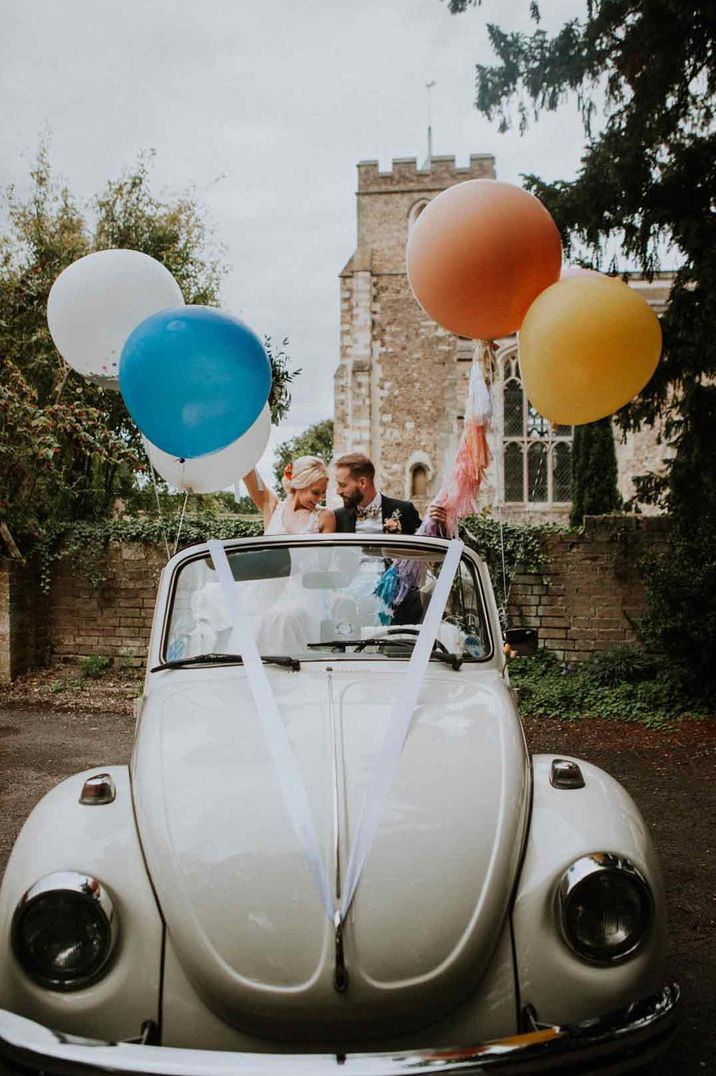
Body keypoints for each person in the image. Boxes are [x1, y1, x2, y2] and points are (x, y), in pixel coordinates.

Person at [333, 452, 445, 534]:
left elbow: (427, 548)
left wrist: (441, 524)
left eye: (343, 485)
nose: (338, 491)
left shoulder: (404, 510)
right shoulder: (337, 517)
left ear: (362, 482)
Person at [243, 456, 336, 535]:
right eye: (315, 492)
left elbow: (326, 556)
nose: (320, 498)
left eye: (323, 492)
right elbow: (245, 466)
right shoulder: (272, 505)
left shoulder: (325, 517)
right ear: (300, 484)